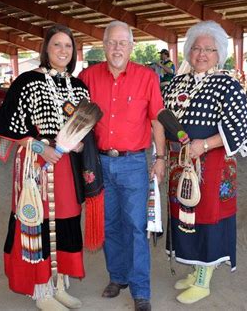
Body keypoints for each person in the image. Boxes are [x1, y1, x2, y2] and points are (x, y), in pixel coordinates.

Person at [0, 24, 103, 311]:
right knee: (36, 222)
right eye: (57, 45)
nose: (63, 51)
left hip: (68, 168)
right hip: (35, 164)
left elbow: (85, 127)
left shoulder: (78, 87)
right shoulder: (27, 81)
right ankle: (41, 290)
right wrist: (43, 148)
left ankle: (59, 284)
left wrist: (77, 144)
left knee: (65, 222)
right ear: (46, 49)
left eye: (68, 46)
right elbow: (3, 126)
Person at [160, 21, 247, 305]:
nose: (201, 54)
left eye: (209, 49)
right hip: (181, 164)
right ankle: (194, 270)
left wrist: (203, 145)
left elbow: (242, 127)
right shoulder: (176, 83)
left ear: (219, 54)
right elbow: (162, 119)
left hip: (213, 165)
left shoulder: (227, 83)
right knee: (184, 214)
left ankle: (204, 280)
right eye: (196, 48)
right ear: (188, 51)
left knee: (208, 217)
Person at [79, 21, 165, 311]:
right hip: (100, 163)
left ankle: (141, 291)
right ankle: (117, 277)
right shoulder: (88, 77)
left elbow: (156, 120)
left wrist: (161, 158)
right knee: (109, 226)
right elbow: (75, 118)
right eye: (112, 43)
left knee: (136, 227)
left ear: (131, 46)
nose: (117, 48)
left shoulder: (147, 77)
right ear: (103, 46)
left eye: (122, 43)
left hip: (133, 164)